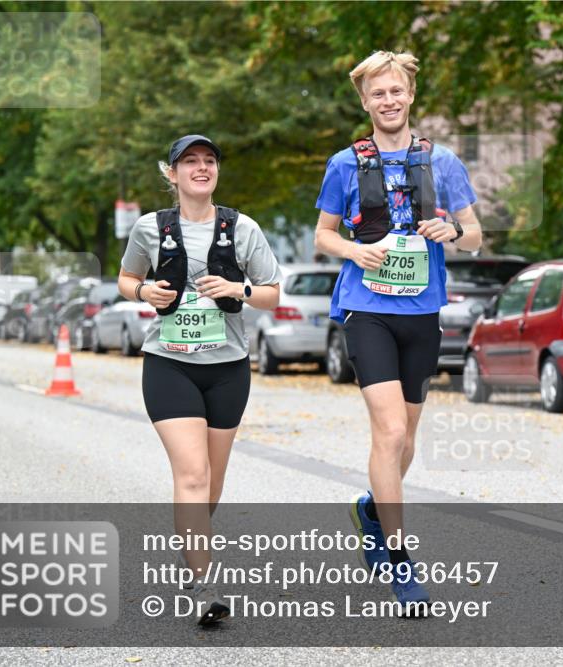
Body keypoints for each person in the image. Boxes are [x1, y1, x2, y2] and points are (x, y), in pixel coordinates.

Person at [314, 51, 483, 613]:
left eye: (396, 91)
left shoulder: (444, 162)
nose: (388, 101)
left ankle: (371, 508)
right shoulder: (345, 163)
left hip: (422, 312)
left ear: (411, 96)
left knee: (406, 438)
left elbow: (477, 236)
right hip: (366, 309)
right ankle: (400, 556)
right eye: (377, 94)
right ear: (365, 102)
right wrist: (354, 250)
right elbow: (324, 236)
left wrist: (452, 228)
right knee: (388, 432)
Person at [118, 135, 280, 625]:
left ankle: (191, 551)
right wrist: (144, 289)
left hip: (228, 367)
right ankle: (205, 586)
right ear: (172, 174)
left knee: (210, 483)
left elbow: (271, 293)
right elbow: (127, 279)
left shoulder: (242, 227)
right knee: (191, 475)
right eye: (190, 161)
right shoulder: (151, 228)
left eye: (209, 160)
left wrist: (238, 288)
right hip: (169, 364)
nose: (201, 168)